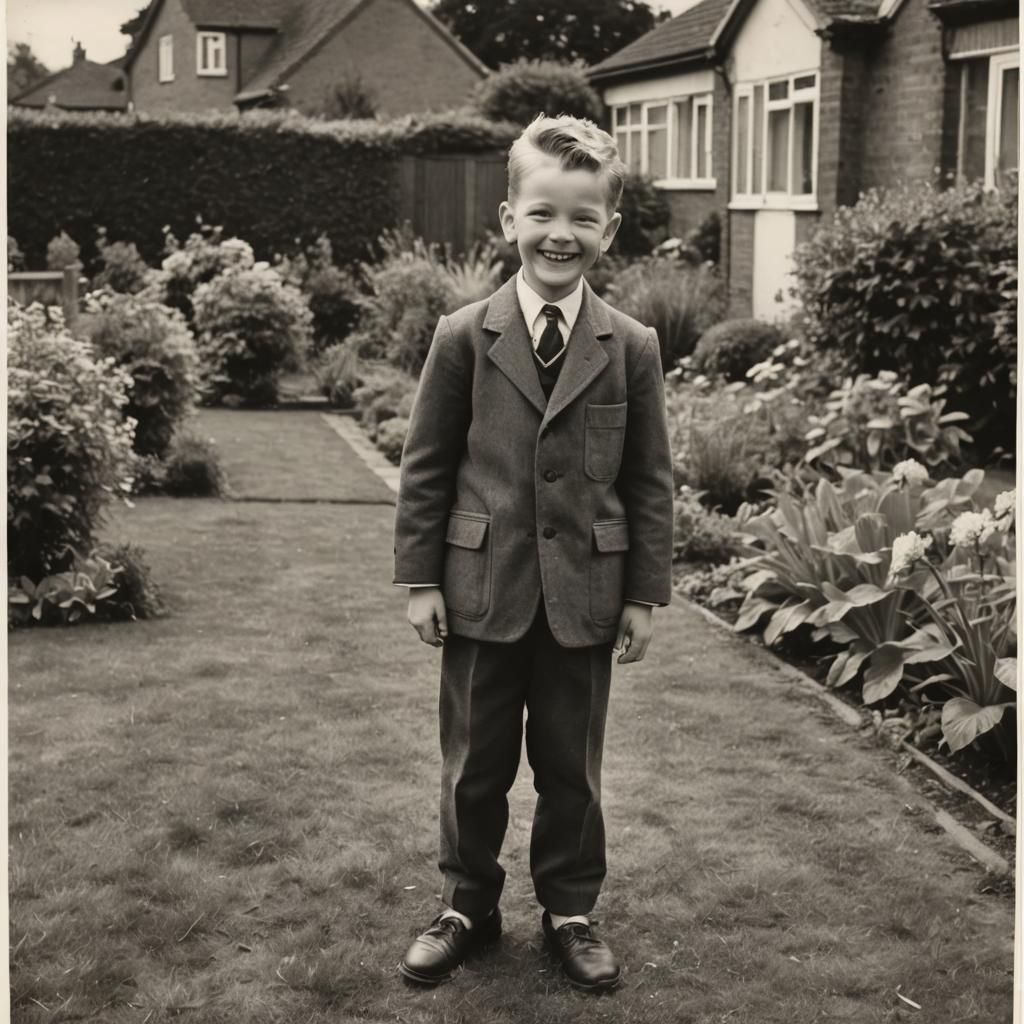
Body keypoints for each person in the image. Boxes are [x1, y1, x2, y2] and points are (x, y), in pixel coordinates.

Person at [391, 113, 674, 992]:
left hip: (585, 596)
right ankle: (466, 905)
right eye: (543, 213)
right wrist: (418, 579)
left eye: (582, 218)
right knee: (473, 766)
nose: (561, 234)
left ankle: (571, 911)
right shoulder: (461, 335)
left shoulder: (629, 347)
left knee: (570, 771)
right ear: (510, 217)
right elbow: (428, 467)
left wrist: (644, 593)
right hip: (482, 590)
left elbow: (649, 480)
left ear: (609, 230)